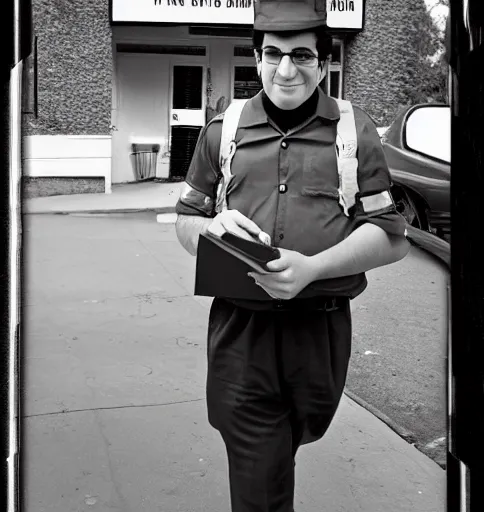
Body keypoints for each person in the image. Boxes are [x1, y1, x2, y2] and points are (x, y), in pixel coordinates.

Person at [175, 1, 410, 510]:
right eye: (273, 54)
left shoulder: (355, 132)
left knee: (294, 437)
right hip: (243, 333)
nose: (286, 69)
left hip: (320, 332)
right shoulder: (223, 131)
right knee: (260, 469)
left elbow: (392, 238)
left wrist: (313, 269)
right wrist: (209, 228)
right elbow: (185, 221)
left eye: (301, 55)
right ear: (256, 58)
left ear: (323, 64)